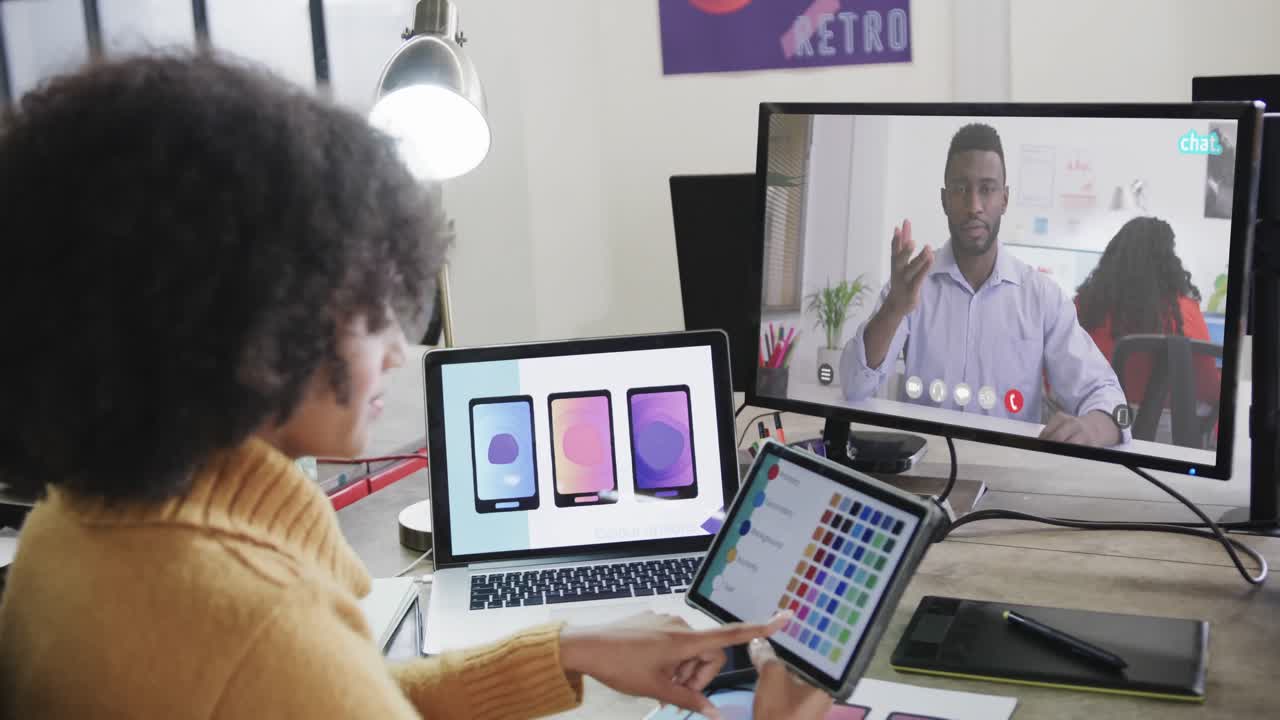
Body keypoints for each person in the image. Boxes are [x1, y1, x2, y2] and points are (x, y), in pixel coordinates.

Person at [0, 55, 831, 720]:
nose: (400, 351)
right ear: (249, 321)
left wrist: (567, 649)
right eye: (369, 310)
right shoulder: (254, 626)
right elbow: (298, 679)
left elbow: (342, 695)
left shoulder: (70, 526)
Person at [840, 123, 1128, 447]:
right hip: (925, 467)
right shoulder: (910, 288)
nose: (974, 206)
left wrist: (1093, 429)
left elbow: (1108, 397)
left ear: (1004, 199)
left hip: (1011, 470)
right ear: (944, 199)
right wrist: (893, 310)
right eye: (961, 189)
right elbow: (854, 385)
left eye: (987, 189)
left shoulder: (1041, 297)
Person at [1075, 216, 1220, 410]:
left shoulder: (1084, 307)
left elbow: (1057, 375)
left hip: (1092, 419)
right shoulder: (1184, 312)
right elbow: (1210, 390)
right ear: (1169, 261)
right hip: (1170, 427)